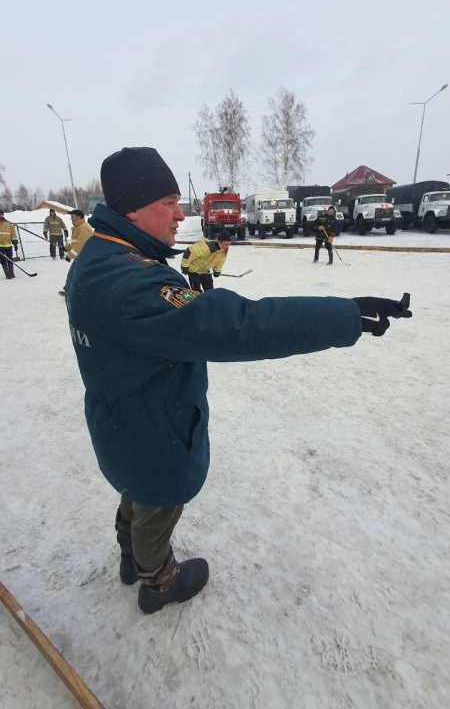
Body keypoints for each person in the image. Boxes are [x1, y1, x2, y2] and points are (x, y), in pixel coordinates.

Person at [65, 146, 412, 616]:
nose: (179, 215)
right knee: (157, 500)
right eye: (167, 203)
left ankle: (131, 558)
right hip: (152, 429)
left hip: (123, 416)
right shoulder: (129, 285)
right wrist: (341, 314)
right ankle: (157, 581)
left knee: (136, 491)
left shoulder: (99, 258)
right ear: (131, 208)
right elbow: (240, 325)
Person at [58, 210, 93, 296]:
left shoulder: (83, 228)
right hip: (82, 256)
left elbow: (80, 244)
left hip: (86, 256)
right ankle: (70, 289)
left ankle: (72, 290)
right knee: (76, 273)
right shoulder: (78, 227)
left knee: (78, 274)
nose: (71, 219)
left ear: (79, 217)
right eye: (71, 217)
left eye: (73, 217)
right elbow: (75, 242)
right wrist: (66, 247)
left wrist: (70, 255)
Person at [0, 209, 19, 279]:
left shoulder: (8, 223)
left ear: (3, 215)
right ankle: (7, 274)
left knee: (10, 260)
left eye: (1, 214)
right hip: (0, 246)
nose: (0, 215)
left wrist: (15, 242)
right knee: (3, 261)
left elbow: (13, 233)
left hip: (8, 245)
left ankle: (11, 273)